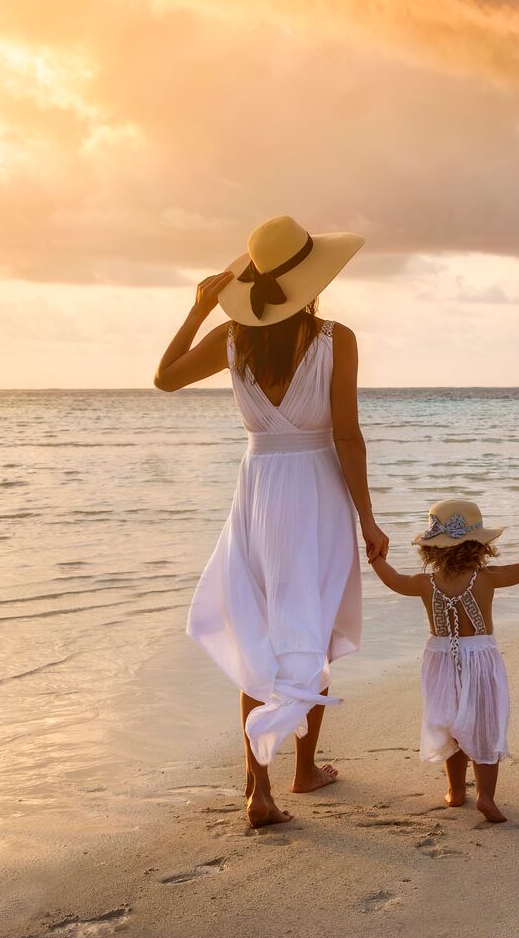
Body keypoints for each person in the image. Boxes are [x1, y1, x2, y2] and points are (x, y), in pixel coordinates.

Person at [154, 215, 390, 829]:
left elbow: (165, 377)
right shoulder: (337, 338)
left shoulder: (233, 339)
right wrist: (368, 518)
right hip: (316, 490)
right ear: (313, 279)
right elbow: (346, 435)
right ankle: (303, 769)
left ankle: (257, 788)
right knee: (308, 617)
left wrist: (199, 310)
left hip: (258, 492)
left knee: (260, 629)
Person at [369, 498, 519, 825]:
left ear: (432, 548)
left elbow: (392, 580)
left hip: (440, 661)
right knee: (483, 726)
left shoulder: (426, 583)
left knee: (451, 724)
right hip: (480, 658)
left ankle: (455, 791)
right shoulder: (487, 578)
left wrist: (376, 557)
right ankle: (486, 796)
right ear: (478, 545)